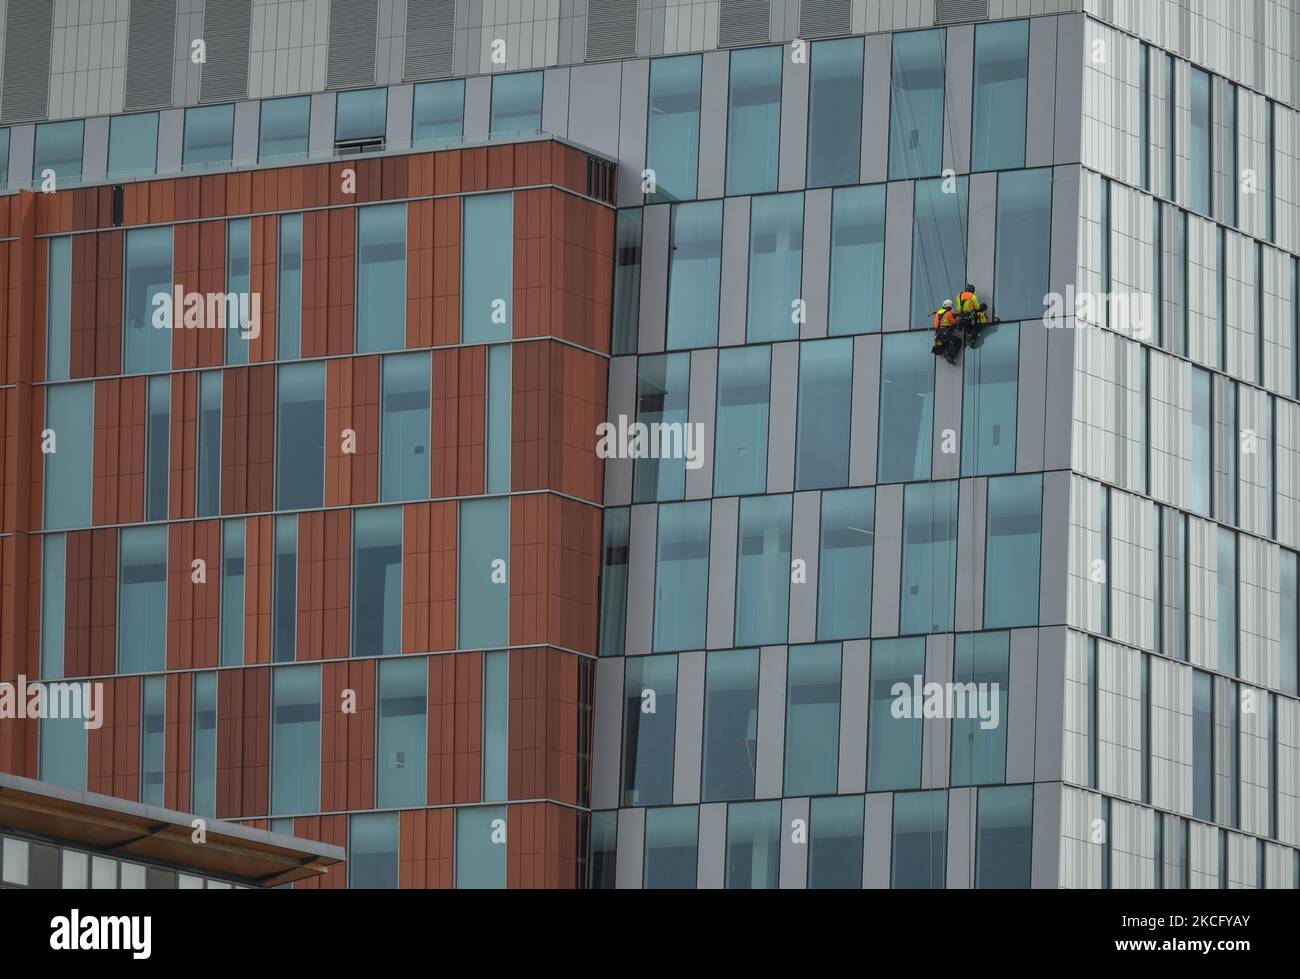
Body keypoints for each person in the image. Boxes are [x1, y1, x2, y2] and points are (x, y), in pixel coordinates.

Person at [931, 299, 961, 364]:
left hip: (938, 333)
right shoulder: (948, 313)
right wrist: (958, 319)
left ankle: (946, 354)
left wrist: (954, 314)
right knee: (958, 341)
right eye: (951, 307)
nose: (951, 308)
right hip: (946, 332)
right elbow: (953, 322)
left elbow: (945, 317)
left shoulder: (938, 312)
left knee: (945, 343)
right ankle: (950, 356)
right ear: (949, 306)